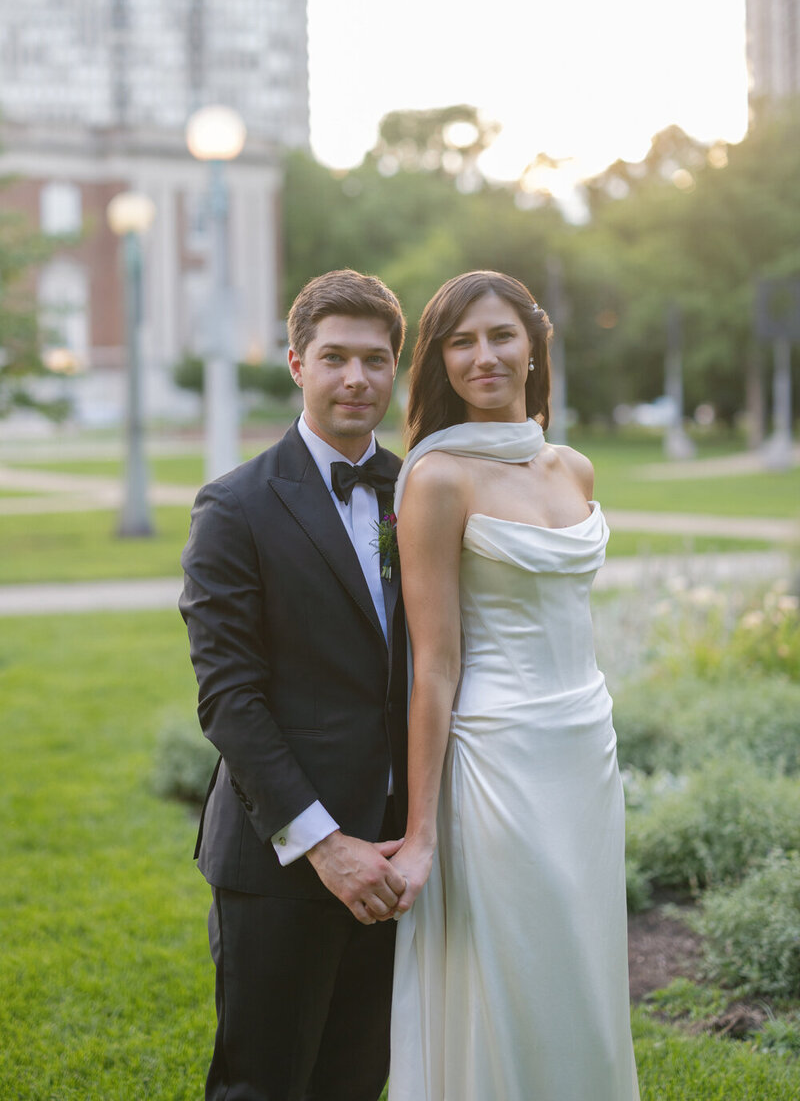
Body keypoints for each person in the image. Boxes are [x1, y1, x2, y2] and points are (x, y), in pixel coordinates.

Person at [387, 270, 639, 1101]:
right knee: (518, 971)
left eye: (500, 336)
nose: (483, 356)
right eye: (460, 342)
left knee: (583, 969)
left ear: (533, 344)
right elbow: (435, 664)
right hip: (497, 757)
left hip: (584, 747)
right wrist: (420, 832)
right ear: (440, 361)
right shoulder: (438, 478)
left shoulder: (574, 468)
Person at [179, 268, 409, 1101]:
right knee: (264, 1084)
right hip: (281, 857)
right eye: (335, 357)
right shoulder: (234, 507)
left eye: (376, 360)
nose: (357, 378)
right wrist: (324, 843)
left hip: (396, 851)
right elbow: (229, 701)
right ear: (295, 364)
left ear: (395, 367)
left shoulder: (418, 493)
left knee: (357, 1079)